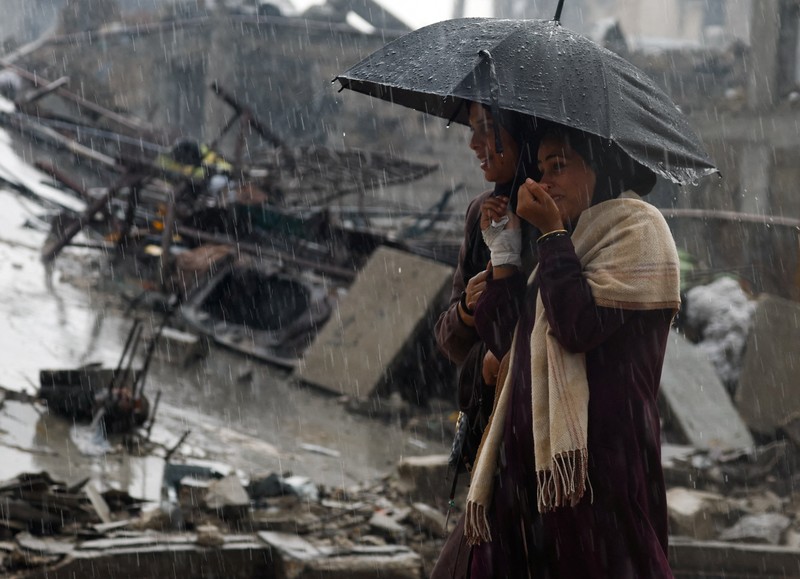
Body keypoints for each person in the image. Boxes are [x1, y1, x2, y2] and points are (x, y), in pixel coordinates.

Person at [463, 123, 680, 577]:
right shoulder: (572, 239)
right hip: (535, 475)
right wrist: (503, 254)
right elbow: (511, 340)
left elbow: (576, 327)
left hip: (601, 466)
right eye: (542, 169)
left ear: (600, 168)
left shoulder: (637, 231)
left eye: (558, 166)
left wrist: (551, 235)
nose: (545, 182)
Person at [430, 102, 541, 578]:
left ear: (523, 134)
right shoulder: (482, 213)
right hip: (489, 433)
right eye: (473, 129)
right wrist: (468, 312)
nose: (475, 143)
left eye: (488, 129)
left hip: (538, 432)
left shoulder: (556, 213)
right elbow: (449, 340)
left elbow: (548, 329)